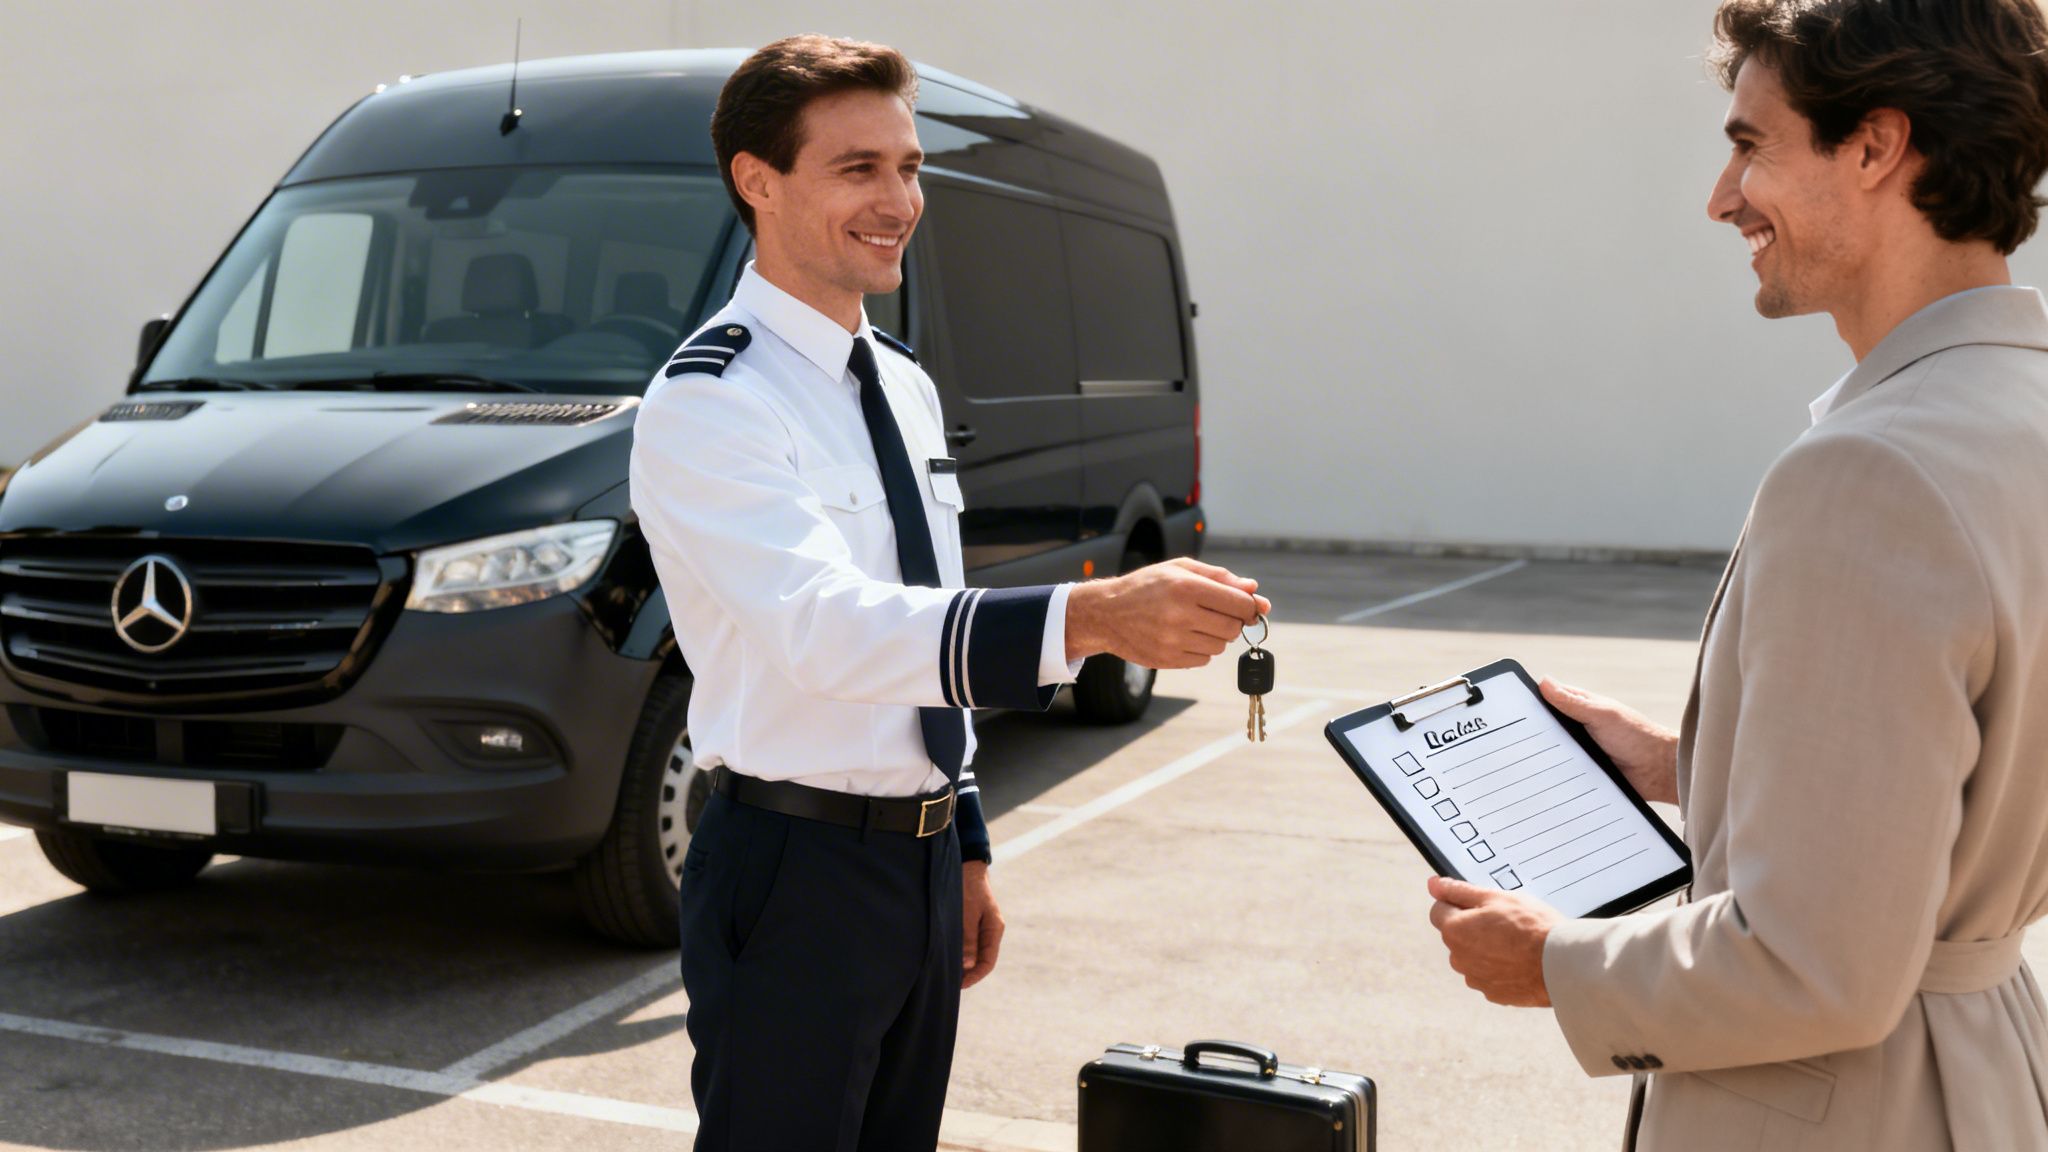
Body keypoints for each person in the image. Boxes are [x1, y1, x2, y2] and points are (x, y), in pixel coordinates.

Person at [628, 35, 1268, 1152]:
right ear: (756, 180)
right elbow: (822, 630)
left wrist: (961, 835)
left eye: (909, 166)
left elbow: (926, 602)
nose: (900, 200)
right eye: (858, 169)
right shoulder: (709, 403)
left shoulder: (906, 389)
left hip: (917, 862)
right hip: (790, 868)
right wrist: (1093, 617)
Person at [1425, 1, 2048, 1147]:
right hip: (1988, 1073)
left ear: (1873, 146)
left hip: (1848, 1107)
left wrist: (1550, 963)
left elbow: (1815, 964)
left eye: (1749, 144)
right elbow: (1982, 786)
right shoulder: (2019, 415)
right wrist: (1687, 764)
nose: (1720, 197)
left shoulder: (1871, 472)